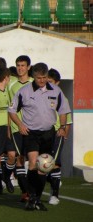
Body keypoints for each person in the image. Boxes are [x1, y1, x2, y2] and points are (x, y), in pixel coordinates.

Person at [8, 63, 71, 211]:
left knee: (44, 167)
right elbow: (11, 110)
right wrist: (21, 125)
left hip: (48, 133)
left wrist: (62, 127)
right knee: (32, 163)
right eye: (38, 78)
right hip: (31, 133)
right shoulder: (24, 91)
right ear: (33, 76)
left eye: (44, 77)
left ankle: (36, 199)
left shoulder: (56, 90)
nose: (42, 81)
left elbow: (63, 111)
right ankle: (30, 198)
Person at [8, 55, 33, 202]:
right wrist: (9, 128)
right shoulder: (12, 85)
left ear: (29, 67)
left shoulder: (35, 83)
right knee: (19, 159)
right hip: (17, 127)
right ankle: (25, 192)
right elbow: (10, 109)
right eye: (18, 65)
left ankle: (32, 190)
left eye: (23, 65)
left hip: (33, 128)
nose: (20, 68)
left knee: (32, 160)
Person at [47, 68, 73, 205]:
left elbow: (68, 121)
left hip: (57, 134)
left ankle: (54, 195)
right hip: (44, 133)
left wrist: (64, 134)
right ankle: (55, 181)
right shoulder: (43, 95)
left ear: (57, 82)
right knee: (43, 164)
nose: (48, 84)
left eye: (50, 82)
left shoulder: (63, 98)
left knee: (55, 163)